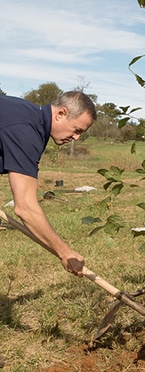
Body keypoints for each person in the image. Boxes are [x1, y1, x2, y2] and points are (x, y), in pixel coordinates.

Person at [0, 91, 97, 278]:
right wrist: (65, 252)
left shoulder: (29, 117)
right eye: (77, 130)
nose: (76, 138)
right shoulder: (26, 131)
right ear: (61, 114)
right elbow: (25, 208)